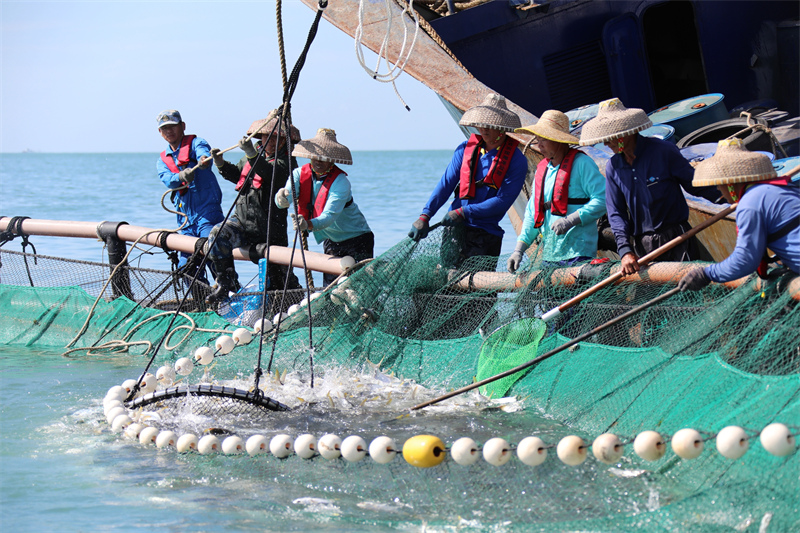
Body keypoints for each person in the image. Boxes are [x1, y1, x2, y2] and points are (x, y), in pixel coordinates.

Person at [578, 98, 720, 276]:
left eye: (610, 137)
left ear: (625, 133)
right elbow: (616, 213)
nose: (607, 144)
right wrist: (625, 251)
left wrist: (725, 197)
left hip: (678, 238)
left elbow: (695, 185)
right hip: (644, 246)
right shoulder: (614, 167)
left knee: (687, 294)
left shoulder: (663, 151)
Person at [408, 93, 528, 267]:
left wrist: (464, 212)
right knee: (448, 283)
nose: (483, 129)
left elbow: (503, 201)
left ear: (502, 128)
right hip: (454, 229)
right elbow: (445, 185)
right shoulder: (465, 149)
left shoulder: (517, 160)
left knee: (477, 289)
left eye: (489, 125)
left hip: (486, 234)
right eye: (480, 124)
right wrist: (425, 215)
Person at [205, 111, 302, 303]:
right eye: (267, 137)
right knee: (217, 234)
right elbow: (238, 175)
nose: (271, 142)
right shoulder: (251, 157)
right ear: (261, 137)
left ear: (284, 141)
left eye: (276, 138)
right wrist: (220, 163)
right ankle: (226, 284)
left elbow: (269, 173)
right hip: (242, 222)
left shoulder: (288, 163)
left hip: (269, 230)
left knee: (278, 282)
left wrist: (252, 153)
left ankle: (294, 297)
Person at [679, 138, 800, 291]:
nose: (717, 189)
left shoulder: (750, 203)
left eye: (719, 183)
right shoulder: (785, 187)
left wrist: (706, 273)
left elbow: (745, 260)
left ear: (730, 184)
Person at [507, 110, 606, 272]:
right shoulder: (541, 170)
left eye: (544, 139)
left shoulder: (582, 164)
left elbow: (603, 199)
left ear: (558, 140)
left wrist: (571, 220)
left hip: (578, 254)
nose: (539, 145)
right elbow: (532, 214)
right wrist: (519, 250)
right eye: (538, 139)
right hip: (549, 256)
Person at [275, 128, 374, 287]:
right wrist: (281, 198)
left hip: (357, 239)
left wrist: (307, 225)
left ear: (332, 159)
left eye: (324, 157)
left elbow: (329, 216)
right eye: (316, 156)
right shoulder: (298, 174)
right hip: (331, 241)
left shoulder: (341, 182)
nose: (318, 161)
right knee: (332, 289)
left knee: (359, 287)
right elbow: (285, 197)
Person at [156, 110, 223, 283]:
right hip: (185, 221)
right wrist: (180, 177)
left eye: (173, 126)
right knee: (186, 269)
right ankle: (203, 305)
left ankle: (230, 298)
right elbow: (168, 180)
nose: (169, 131)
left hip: (207, 214)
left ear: (182, 126)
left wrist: (203, 160)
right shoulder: (163, 160)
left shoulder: (196, 143)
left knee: (215, 258)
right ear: (160, 133)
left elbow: (204, 156)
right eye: (165, 128)